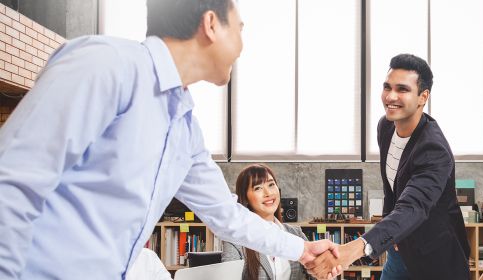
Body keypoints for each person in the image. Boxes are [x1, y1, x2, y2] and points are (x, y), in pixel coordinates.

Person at [0, 1, 341, 279]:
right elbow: (12, 183)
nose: (242, 43)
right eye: (239, 28)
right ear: (211, 24)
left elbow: (227, 214)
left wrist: (302, 249)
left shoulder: (184, 128)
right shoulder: (105, 64)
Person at [313, 54, 471, 279]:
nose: (391, 96)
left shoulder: (434, 150)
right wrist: (392, 234)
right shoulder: (386, 127)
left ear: (422, 97)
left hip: (435, 259)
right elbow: (393, 189)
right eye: (387, 87)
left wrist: (352, 249)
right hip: (399, 249)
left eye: (402, 89)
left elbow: (412, 207)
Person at [222, 164, 310, 280]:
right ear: (246, 197)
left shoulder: (295, 234)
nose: (268, 193)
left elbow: (320, 274)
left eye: (271, 184)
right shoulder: (235, 240)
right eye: (258, 188)